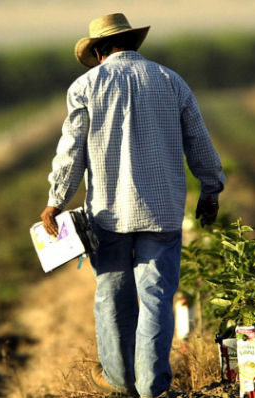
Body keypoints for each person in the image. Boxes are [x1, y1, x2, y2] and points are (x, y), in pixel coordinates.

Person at [40, 13, 225, 398]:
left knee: (111, 298)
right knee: (157, 299)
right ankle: (152, 388)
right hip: (162, 212)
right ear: (131, 44)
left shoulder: (84, 87)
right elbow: (199, 141)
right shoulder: (170, 81)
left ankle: (121, 382)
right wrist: (211, 190)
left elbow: (71, 151)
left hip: (107, 214)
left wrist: (55, 201)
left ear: (99, 50)